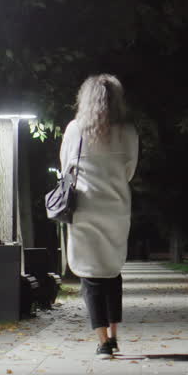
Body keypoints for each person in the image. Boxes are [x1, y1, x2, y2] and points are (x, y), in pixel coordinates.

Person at [60, 74, 139, 359]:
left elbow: (66, 167)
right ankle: (115, 336)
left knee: (90, 275)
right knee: (112, 271)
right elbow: (130, 170)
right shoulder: (127, 131)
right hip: (117, 207)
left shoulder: (75, 129)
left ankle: (103, 341)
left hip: (86, 206)